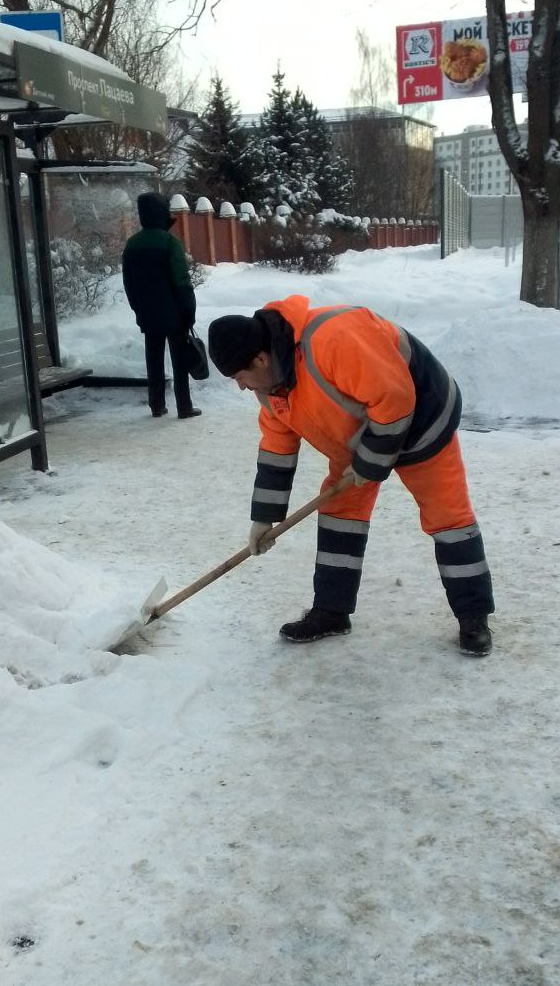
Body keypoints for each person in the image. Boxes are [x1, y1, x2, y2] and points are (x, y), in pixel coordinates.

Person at [207, 296, 495, 655]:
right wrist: (264, 518)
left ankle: (473, 618)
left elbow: (394, 399)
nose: (241, 386)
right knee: (340, 514)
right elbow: (276, 446)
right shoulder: (270, 387)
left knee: (448, 518)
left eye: (239, 377)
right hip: (360, 437)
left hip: (424, 420)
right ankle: (331, 610)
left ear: (261, 359)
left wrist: (369, 464)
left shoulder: (333, 339)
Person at [122, 192, 201, 419]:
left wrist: (138, 309)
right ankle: (184, 407)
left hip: (148, 314)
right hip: (175, 314)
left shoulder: (132, 244)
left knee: (153, 361)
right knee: (179, 362)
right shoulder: (170, 243)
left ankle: (156, 405)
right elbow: (182, 282)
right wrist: (189, 311)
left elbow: (129, 283)